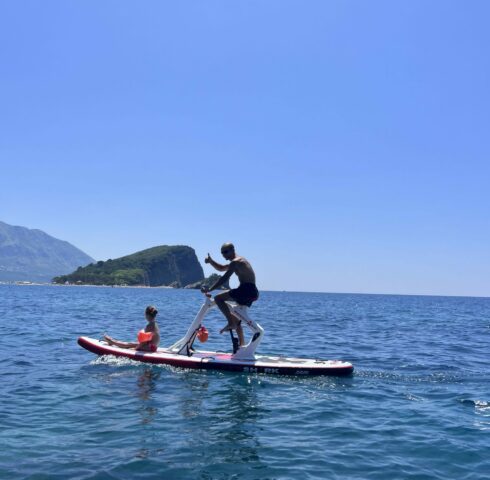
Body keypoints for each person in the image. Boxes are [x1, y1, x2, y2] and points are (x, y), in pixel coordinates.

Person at [202, 243, 258, 347]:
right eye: (222, 253)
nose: (224, 255)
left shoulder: (237, 261)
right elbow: (222, 268)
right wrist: (211, 261)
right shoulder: (236, 262)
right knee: (236, 314)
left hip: (247, 290)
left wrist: (210, 289)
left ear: (233, 250)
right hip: (252, 292)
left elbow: (224, 278)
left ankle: (231, 323)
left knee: (218, 298)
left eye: (226, 252)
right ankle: (241, 346)